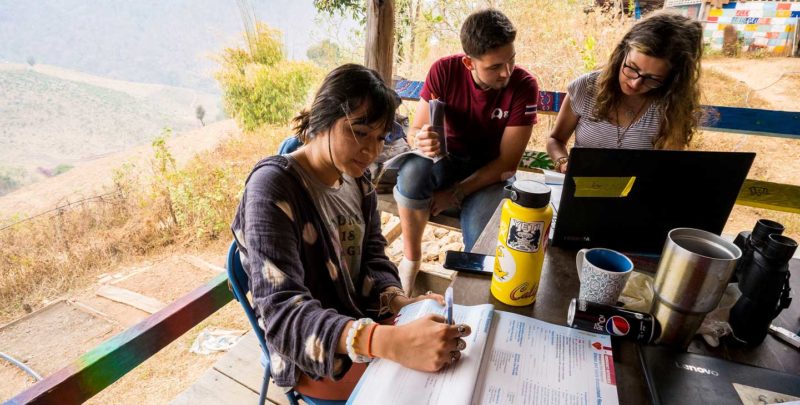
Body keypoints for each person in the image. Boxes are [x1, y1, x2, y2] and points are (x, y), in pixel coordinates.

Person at [231, 64, 472, 401]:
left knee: (449, 367)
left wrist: (403, 305)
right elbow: (282, 315)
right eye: (359, 132)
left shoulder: (358, 183)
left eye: (379, 138)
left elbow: (374, 258)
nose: (371, 151)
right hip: (313, 355)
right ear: (322, 119)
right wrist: (387, 342)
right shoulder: (273, 188)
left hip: (359, 323)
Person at [394, 9, 539, 294]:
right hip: (446, 162)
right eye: (494, 66)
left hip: (491, 174)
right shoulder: (444, 71)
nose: (505, 72)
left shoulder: (524, 85)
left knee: (482, 238)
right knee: (411, 171)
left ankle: (467, 298)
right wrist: (422, 140)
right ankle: (411, 261)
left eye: (511, 60)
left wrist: (457, 193)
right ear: (468, 62)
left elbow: (507, 162)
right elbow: (414, 132)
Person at [547, 10, 704, 173]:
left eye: (653, 78)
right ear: (622, 53)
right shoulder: (586, 88)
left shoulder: (672, 106)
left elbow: (667, 167)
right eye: (632, 68)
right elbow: (555, 139)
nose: (635, 83)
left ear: (672, 79)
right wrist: (563, 162)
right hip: (581, 188)